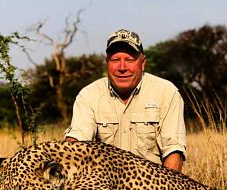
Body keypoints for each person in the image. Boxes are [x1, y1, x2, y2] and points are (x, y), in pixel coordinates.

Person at [64, 29, 187, 172]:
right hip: (103, 188)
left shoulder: (166, 92)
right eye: (115, 60)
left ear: (142, 63)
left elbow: (173, 151)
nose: (122, 67)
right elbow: (77, 141)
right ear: (107, 62)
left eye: (129, 60)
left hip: (152, 187)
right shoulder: (88, 95)